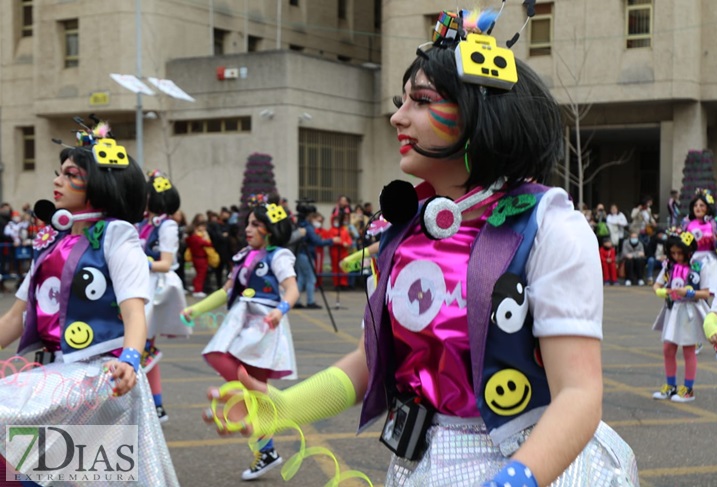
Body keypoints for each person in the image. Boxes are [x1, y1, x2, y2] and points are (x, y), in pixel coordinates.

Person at [202, 11, 638, 487]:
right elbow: (372, 361)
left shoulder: (550, 228)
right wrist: (283, 407)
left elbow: (578, 394)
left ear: (481, 114)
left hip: (531, 461)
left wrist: (515, 479)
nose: (398, 116)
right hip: (421, 463)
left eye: (422, 101)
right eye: (401, 100)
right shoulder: (407, 228)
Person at [0, 124, 178, 485]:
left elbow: (134, 311)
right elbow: (15, 317)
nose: (59, 180)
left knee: (44, 473)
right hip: (54, 376)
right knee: (39, 474)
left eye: (72, 175)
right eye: (59, 173)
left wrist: (130, 359)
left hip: (99, 376)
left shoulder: (117, 236)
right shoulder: (50, 244)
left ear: (100, 185)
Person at [182, 202, 299, 481]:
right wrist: (195, 310)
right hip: (243, 319)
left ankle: (238, 404)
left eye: (255, 225)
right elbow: (225, 291)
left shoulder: (278, 256)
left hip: (262, 324)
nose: (248, 229)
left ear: (270, 230)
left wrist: (279, 311)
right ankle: (265, 447)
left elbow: (292, 289)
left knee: (236, 373)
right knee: (248, 388)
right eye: (247, 223)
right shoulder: (245, 255)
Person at [137, 170, 191, 423]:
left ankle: (155, 406)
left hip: (153, 289)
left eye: (146, 194)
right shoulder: (146, 223)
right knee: (142, 347)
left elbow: (167, 263)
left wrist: (140, 261)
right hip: (142, 284)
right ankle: (155, 406)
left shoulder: (167, 225)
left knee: (141, 347)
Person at [651, 229, 717, 402]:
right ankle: (670, 385)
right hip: (672, 309)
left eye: (680, 253)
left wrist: (688, 293)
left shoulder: (699, 266)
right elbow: (656, 284)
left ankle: (688, 389)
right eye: (673, 252)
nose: (676, 256)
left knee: (688, 350)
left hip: (689, 310)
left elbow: (706, 293)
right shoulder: (668, 265)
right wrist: (662, 292)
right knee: (668, 349)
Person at [294, 211, 339, 309]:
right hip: (306, 255)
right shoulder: (309, 228)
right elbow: (317, 241)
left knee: (301, 279)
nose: (320, 222)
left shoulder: (303, 226)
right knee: (311, 278)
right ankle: (310, 301)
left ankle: (296, 301)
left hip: (300, 254)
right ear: (313, 218)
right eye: (319, 220)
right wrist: (332, 240)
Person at [186, 213, 213, 298]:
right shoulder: (197, 239)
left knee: (198, 274)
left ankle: (195, 287)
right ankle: (197, 290)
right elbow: (208, 244)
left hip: (195, 258)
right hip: (201, 258)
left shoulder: (190, 239)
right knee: (201, 275)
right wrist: (205, 237)